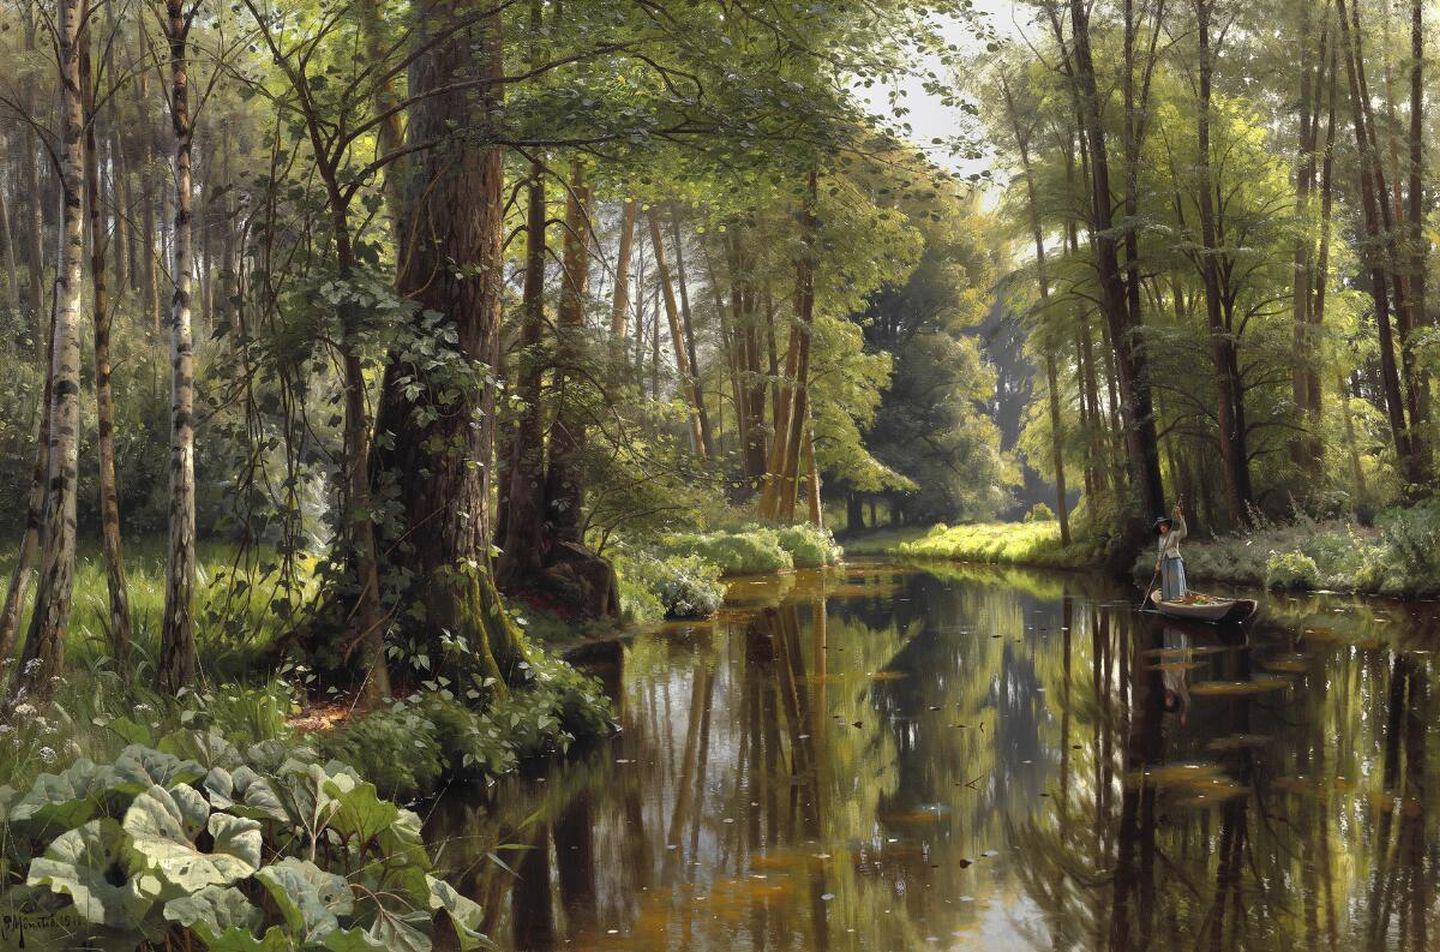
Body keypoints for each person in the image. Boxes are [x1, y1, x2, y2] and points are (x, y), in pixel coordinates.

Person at [1153, 502, 1187, 602]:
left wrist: (1180, 517)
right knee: (1166, 579)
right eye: (1161, 526)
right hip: (1164, 561)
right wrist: (1158, 564)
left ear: (1168, 526)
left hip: (1174, 559)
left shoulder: (1174, 534)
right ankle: (1168, 598)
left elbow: (1183, 532)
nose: (1162, 527)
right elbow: (1160, 551)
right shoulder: (1160, 538)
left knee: (1175, 578)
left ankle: (1178, 598)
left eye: (1164, 525)